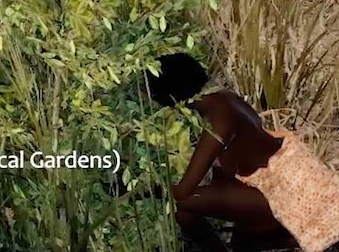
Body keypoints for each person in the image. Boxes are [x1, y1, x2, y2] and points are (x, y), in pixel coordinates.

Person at [145, 53, 339, 252]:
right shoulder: (222, 98)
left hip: (283, 193)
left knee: (182, 205)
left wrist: (143, 190)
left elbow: (183, 191)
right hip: (288, 179)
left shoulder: (218, 122)